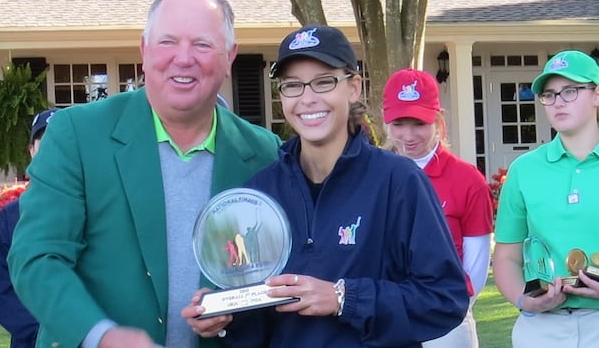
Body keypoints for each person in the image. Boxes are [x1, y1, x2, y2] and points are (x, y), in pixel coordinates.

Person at [7, 0, 281, 348]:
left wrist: (232, 309)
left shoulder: (264, 152)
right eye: (168, 42)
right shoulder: (76, 135)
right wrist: (100, 336)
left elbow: (270, 273)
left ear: (229, 57)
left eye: (202, 44)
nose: (183, 59)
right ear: (144, 50)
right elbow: (36, 258)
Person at [184, 25, 469, 347]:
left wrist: (344, 298)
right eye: (293, 86)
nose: (307, 99)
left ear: (353, 88)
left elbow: (444, 299)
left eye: (324, 82)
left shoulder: (398, 182)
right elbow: (261, 323)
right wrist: (225, 316)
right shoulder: (261, 194)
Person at [493, 49, 599, 347]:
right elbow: (507, 256)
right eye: (549, 95)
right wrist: (525, 301)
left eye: (570, 91)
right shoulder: (523, 170)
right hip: (543, 328)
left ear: (596, 95)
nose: (558, 102)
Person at [382, 68, 495, 348]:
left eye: (419, 123)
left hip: (446, 320)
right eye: (399, 123)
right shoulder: (370, 177)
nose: (408, 135)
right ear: (385, 122)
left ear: (438, 121)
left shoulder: (468, 180)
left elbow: (476, 266)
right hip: (385, 317)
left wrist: (444, 309)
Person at [0, 108, 58, 348]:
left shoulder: (96, 210)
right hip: (29, 341)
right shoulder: (10, 218)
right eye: (45, 141)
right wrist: (40, 332)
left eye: (62, 141)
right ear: (31, 151)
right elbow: (0, 288)